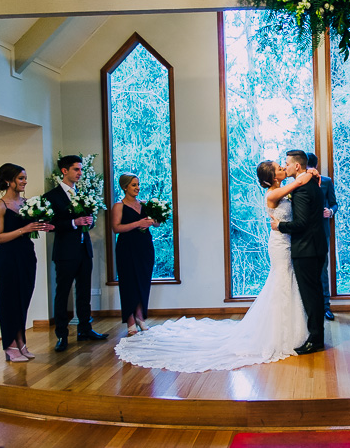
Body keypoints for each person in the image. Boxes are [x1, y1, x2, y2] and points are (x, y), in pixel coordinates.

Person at [114, 161, 318, 372]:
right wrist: (308, 172)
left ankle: (291, 330)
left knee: (286, 283)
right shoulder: (273, 193)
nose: (283, 169)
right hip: (279, 244)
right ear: (274, 178)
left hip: (287, 242)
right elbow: (298, 183)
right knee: (281, 283)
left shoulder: (281, 190)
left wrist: (309, 171)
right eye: (279, 168)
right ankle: (280, 334)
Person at [44, 155, 108, 352]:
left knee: (84, 291)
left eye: (81, 170)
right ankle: (62, 335)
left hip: (84, 249)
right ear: (64, 171)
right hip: (65, 251)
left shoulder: (83, 193)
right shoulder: (52, 197)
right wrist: (74, 223)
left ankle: (84, 329)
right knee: (62, 293)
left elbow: (88, 219)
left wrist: (89, 221)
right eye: (76, 170)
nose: (80, 173)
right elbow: (50, 225)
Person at [0, 164, 53, 362]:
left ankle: (20, 341)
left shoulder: (27, 203)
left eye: (25, 178)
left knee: (23, 299)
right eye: (20, 178)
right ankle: (9, 345)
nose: (25, 181)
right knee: (10, 301)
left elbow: (31, 228)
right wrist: (23, 230)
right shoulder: (0, 206)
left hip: (26, 255)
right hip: (7, 258)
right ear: (9, 181)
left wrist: (43, 226)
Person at [271, 149, 327, 354]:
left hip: (307, 249)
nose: (284, 166)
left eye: (286, 163)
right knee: (314, 294)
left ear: (297, 166)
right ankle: (315, 335)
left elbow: (302, 222)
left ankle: (316, 339)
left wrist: (281, 227)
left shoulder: (302, 189)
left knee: (311, 296)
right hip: (314, 246)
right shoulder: (309, 184)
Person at [111, 174, 157, 337]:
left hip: (145, 246)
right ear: (124, 187)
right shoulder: (119, 206)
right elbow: (116, 228)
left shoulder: (144, 204)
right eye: (133, 185)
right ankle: (130, 319)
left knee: (142, 282)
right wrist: (138, 223)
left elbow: (156, 223)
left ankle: (140, 315)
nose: (137, 187)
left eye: (138, 184)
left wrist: (156, 218)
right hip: (127, 248)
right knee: (128, 283)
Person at [307, 153, 338, 321]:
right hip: (303, 232)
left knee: (323, 268)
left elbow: (334, 203)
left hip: (322, 230)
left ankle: (326, 306)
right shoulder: (297, 183)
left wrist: (330, 211)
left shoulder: (326, 181)